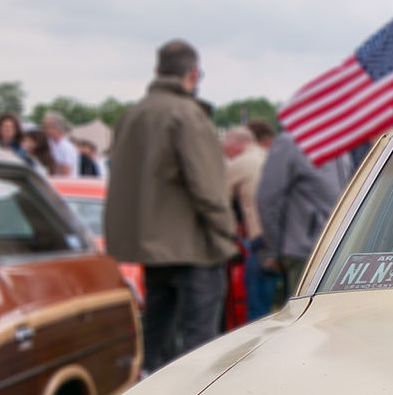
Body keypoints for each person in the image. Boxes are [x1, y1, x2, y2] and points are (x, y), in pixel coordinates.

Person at [105, 38, 238, 373]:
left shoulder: (132, 115)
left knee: (156, 337)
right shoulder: (186, 115)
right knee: (200, 348)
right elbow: (207, 186)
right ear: (193, 74)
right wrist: (226, 233)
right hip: (193, 248)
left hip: (152, 247)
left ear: (157, 71)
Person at [256, 127, 352, 300]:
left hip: (341, 250)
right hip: (306, 252)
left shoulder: (339, 140)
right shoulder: (290, 142)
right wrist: (276, 249)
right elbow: (268, 199)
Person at [223, 125, 276, 320]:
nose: (228, 156)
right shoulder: (270, 156)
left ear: (236, 146)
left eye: (227, 151)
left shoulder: (239, 164)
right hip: (285, 240)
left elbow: (221, 204)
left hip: (260, 240)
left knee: (257, 308)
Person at [41, 112, 78, 177]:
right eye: (44, 126)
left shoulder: (66, 147)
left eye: (48, 126)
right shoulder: (50, 144)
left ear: (58, 127)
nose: (45, 129)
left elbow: (65, 174)